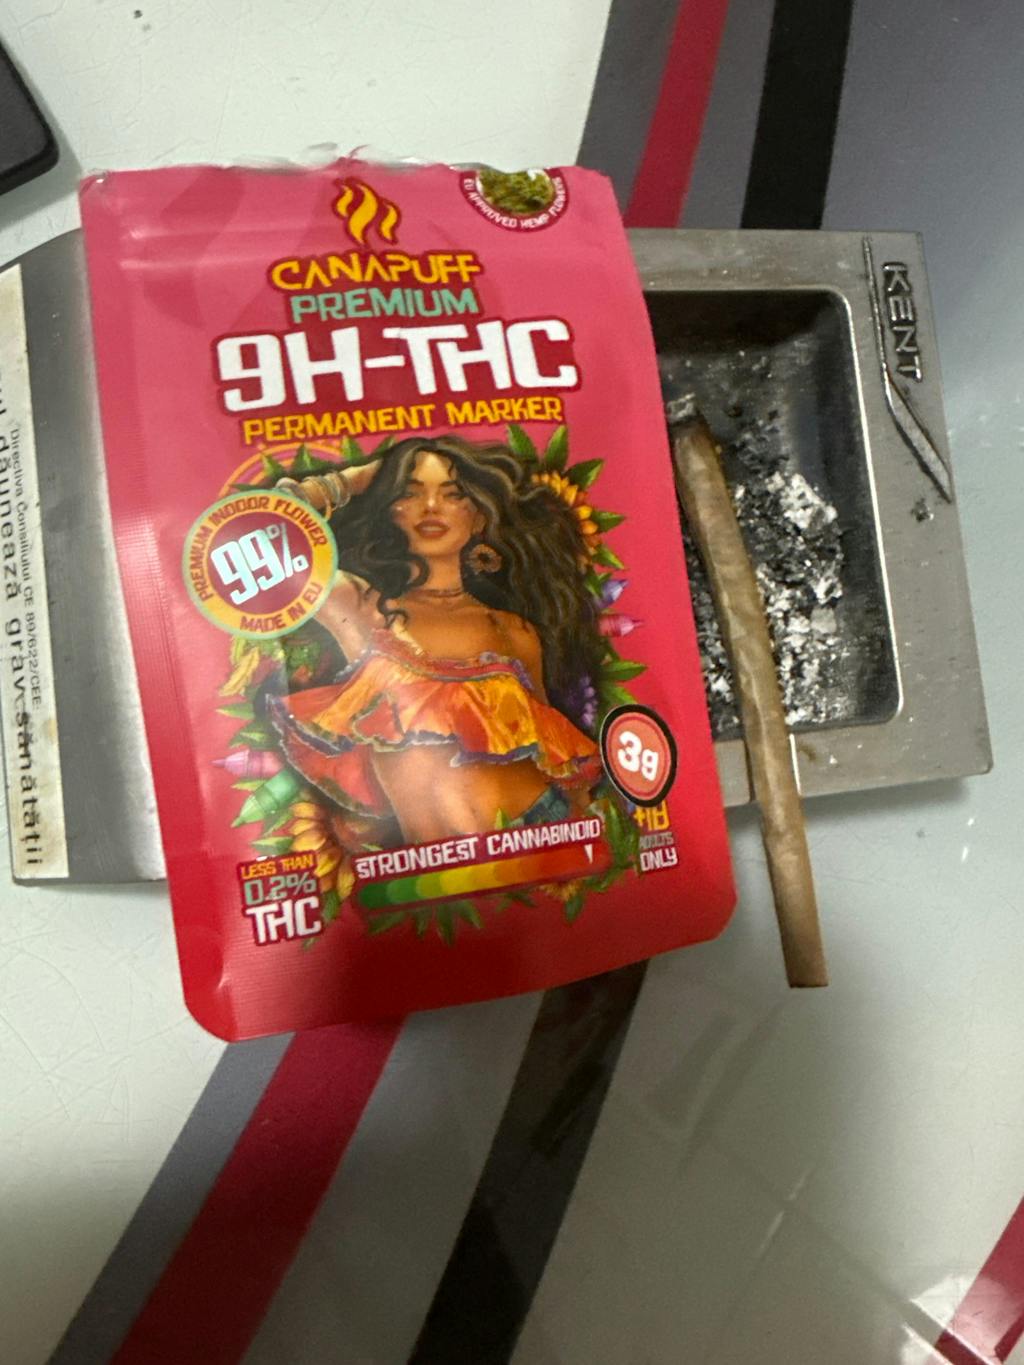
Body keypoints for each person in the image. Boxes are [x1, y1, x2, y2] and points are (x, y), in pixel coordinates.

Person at [269, 434, 604, 846]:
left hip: (540, 829)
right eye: (410, 493)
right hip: (433, 860)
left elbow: (561, 757)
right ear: (391, 512)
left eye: (453, 494)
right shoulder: (365, 611)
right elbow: (260, 540)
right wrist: (361, 479)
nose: (431, 506)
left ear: (479, 517)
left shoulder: (512, 630)